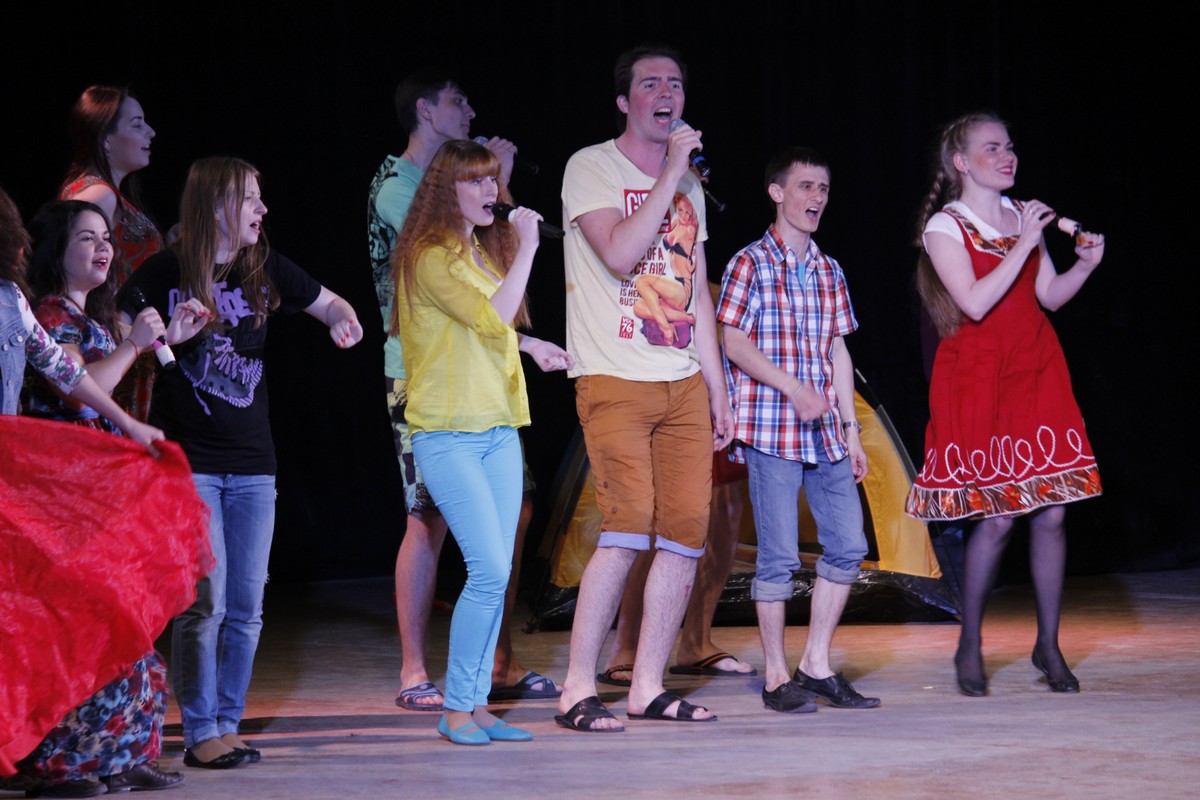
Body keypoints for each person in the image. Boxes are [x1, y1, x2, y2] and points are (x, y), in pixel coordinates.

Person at [118, 157, 363, 768]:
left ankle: (227, 724)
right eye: (250, 198)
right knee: (207, 603)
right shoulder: (165, 271)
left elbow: (330, 302)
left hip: (255, 463)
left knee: (248, 607)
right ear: (216, 205)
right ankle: (200, 731)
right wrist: (164, 339)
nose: (262, 209)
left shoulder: (263, 267)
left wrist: (343, 320)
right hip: (192, 462)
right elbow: (120, 341)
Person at [368, 70, 564, 711]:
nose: (492, 191)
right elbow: (487, 314)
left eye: (492, 181)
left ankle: (484, 687)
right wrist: (526, 246)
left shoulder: (476, 250)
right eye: (477, 180)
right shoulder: (422, 238)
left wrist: (531, 346)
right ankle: (433, 684)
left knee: (501, 551)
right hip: (440, 409)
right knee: (438, 530)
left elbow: (492, 320)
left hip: (493, 414)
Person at [555, 44, 733, 733]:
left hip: (682, 382)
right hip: (614, 377)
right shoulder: (591, 166)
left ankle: (648, 686)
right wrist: (671, 177)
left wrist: (718, 386)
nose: (667, 94)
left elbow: (698, 291)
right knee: (627, 528)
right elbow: (621, 253)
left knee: (686, 537)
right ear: (624, 102)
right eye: (651, 84)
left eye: (676, 84)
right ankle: (577, 687)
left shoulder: (690, 187)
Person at [10, 200, 209, 797]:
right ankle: (63, 764)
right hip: (59, 492)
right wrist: (134, 346)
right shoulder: (51, 313)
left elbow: (99, 381)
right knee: (86, 624)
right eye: (86, 238)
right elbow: (76, 389)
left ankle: (120, 753)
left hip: (90, 491)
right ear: (54, 250)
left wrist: (162, 341)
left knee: (122, 621)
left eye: (105, 238)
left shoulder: (80, 315)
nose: (103, 248)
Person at [904, 111, 1104, 696]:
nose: (1006, 155)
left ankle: (1049, 644)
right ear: (961, 162)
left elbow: (1048, 297)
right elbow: (973, 302)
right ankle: (970, 641)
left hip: (1036, 369)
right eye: (991, 148)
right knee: (997, 516)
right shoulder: (945, 227)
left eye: (1009, 146)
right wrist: (1024, 243)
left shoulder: (1022, 217)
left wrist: (1084, 266)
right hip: (980, 377)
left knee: (1054, 510)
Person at [717, 147, 881, 714]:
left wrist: (852, 430)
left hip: (826, 433)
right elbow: (733, 341)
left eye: (823, 189)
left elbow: (838, 350)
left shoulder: (830, 269)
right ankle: (776, 677)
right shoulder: (750, 263)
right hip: (772, 429)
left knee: (849, 545)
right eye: (806, 186)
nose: (816, 198)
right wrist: (793, 388)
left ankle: (816, 664)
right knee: (779, 557)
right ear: (777, 192)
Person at [60, 85, 164, 420]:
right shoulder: (98, 195)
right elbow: (67, 266)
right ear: (105, 137)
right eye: (137, 124)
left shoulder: (105, 192)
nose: (150, 132)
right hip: (113, 345)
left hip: (125, 339)